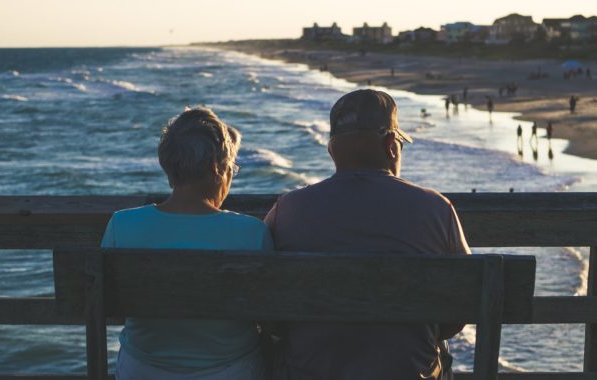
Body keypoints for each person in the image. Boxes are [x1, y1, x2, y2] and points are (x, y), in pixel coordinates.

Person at [264, 89, 470, 380]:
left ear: (332, 150)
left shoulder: (287, 209)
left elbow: (265, 306)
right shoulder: (437, 208)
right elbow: (464, 302)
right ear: (391, 146)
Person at [101, 108, 272, 380]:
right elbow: (268, 315)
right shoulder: (251, 232)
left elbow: (110, 305)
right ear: (220, 169)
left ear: (169, 170)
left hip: (142, 369)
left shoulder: (121, 225)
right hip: (231, 370)